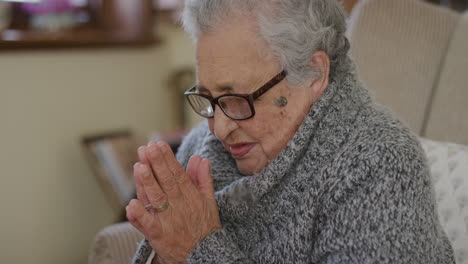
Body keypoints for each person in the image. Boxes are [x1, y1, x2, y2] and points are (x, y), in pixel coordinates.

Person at [126, 0, 455, 263]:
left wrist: (197, 249)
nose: (220, 129)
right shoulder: (202, 146)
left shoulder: (380, 163)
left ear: (314, 74)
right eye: (208, 98)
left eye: (238, 99)